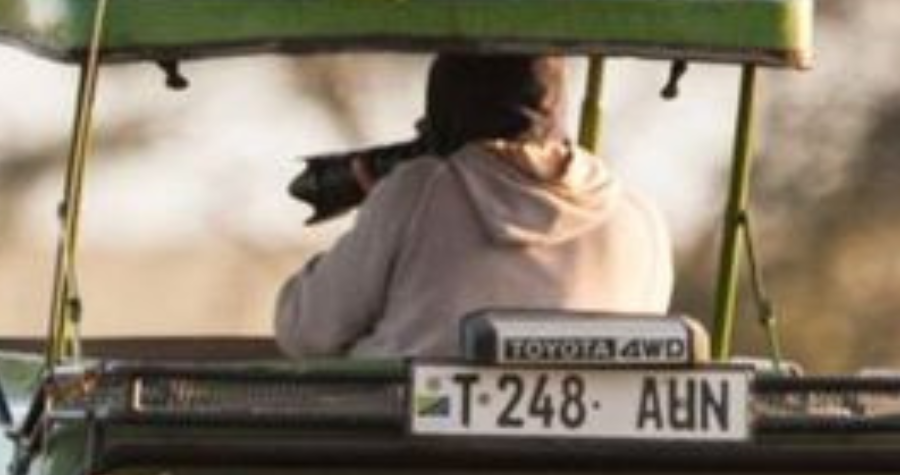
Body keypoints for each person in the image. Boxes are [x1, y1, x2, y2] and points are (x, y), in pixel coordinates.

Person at [274, 54, 674, 360]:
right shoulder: (640, 217)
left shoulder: (418, 192)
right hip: (589, 461)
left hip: (410, 456)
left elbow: (305, 329)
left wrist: (383, 203)